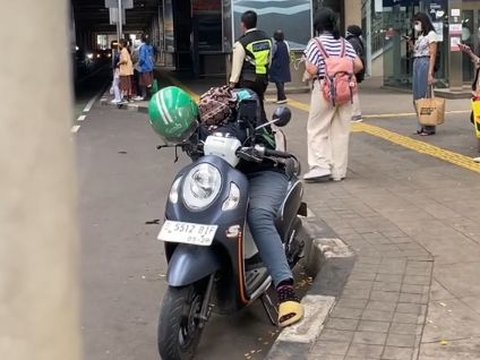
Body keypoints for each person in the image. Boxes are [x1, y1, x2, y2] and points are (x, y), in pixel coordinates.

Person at [148, 86, 304, 327]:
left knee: (258, 214)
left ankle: (285, 290)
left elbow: (251, 125)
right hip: (223, 177)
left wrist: (247, 141)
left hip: (263, 171)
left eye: (187, 133)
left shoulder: (244, 107)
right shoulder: (194, 130)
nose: (186, 139)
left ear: (190, 116)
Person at [302, 7, 363, 182]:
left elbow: (312, 68)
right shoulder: (344, 43)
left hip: (324, 89)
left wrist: (310, 64)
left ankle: (320, 166)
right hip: (345, 90)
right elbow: (358, 65)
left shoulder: (315, 43)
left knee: (317, 128)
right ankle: (338, 171)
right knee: (341, 131)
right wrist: (341, 69)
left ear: (318, 25)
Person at [229, 10, 272, 122]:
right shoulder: (267, 39)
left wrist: (232, 84)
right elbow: (269, 59)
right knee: (260, 103)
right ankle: (264, 128)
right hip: (263, 79)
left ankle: (250, 130)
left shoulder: (241, 43)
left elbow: (236, 67)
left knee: (246, 107)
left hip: (247, 81)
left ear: (243, 24)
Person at [410, 12, 438, 136]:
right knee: (416, 97)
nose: (415, 26)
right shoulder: (421, 35)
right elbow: (416, 50)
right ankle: (421, 124)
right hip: (417, 62)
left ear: (423, 22)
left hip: (425, 62)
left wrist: (430, 73)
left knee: (424, 96)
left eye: (417, 23)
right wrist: (410, 44)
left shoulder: (431, 35)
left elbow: (433, 54)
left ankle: (429, 126)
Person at [346, 25, 366, 122]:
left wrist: (351, 71)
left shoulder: (352, 42)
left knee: (352, 91)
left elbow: (353, 58)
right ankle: (354, 113)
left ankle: (355, 114)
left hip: (352, 69)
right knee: (353, 90)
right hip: (356, 69)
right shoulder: (358, 41)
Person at [270, 30, 291, 104]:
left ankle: (282, 97)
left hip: (276, 65)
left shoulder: (275, 45)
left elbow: (272, 55)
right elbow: (288, 53)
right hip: (284, 64)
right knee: (281, 81)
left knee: (278, 81)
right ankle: (279, 97)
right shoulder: (286, 44)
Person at [138, 34, 155, 100]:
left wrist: (138, 64)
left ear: (142, 40)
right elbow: (153, 57)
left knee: (143, 82)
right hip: (150, 67)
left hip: (144, 68)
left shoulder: (143, 47)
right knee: (150, 82)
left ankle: (144, 96)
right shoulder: (150, 47)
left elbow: (142, 59)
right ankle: (150, 95)